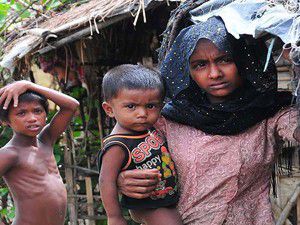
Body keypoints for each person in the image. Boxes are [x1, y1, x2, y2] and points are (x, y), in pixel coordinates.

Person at [116, 17, 300, 225]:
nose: (214, 74)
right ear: (188, 71)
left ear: (244, 60)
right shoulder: (167, 119)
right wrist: (121, 180)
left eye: (225, 59)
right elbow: (121, 151)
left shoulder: (270, 112)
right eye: (200, 64)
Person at [98, 64, 182, 225]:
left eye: (150, 106)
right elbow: (106, 180)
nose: (142, 114)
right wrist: (114, 216)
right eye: (131, 106)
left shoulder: (148, 129)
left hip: (164, 199)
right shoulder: (117, 145)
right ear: (109, 109)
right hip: (148, 206)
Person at [0, 80, 79, 225]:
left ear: (45, 114)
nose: (32, 118)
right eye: (21, 113)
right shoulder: (10, 154)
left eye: (37, 111)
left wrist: (28, 85)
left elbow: (71, 106)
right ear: (6, 121)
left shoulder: (46, 140)